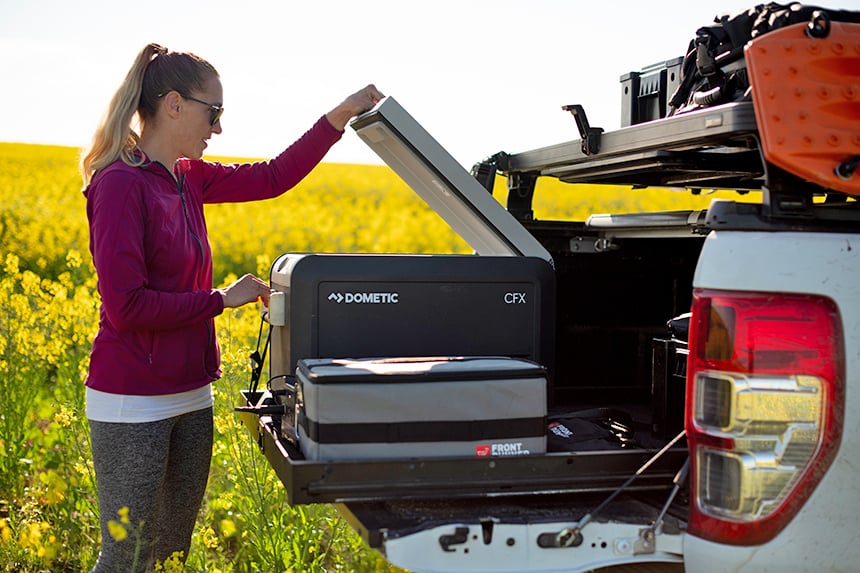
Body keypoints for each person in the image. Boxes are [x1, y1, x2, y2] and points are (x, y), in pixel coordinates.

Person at [79, 42, 383, 572]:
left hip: (191, 395)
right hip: (132, 401)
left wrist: (336, 119)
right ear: (173, 104)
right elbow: (126, 307)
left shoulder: (187, 178)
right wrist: (221, 299)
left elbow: (272, 178)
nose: (217, 128)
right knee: (126, 558)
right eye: (212, 112)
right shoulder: (120, 185)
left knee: (172, 552)